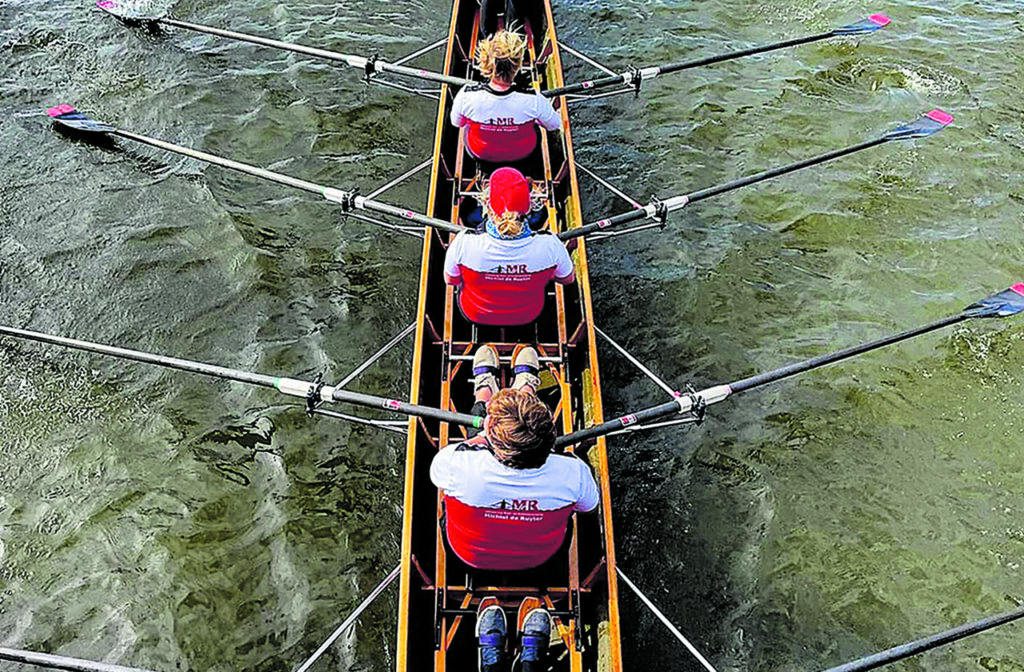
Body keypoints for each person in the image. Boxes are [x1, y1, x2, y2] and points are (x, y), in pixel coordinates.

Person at [430, 343, 600, 671]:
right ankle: (525, 386)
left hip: (470, 557)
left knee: (448, 504)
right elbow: (589, 507)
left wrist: (482, 438)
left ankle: (484, 392)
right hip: (541, 557)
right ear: (549, 438)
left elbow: (443, 472)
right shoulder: (572, 471)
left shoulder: (456, 464)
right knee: (574, 511)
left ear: (491, 441)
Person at [444, 167, 574, 326]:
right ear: (528, 207)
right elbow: (567, 280)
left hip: (475, 313)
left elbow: (452, 280)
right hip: (529, 314)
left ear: (487, 206)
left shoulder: (463, 242)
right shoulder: (551, 245)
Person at [450, 30, 561, 164]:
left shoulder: (466, 96)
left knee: (467, 125)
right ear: (518, 65)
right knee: (536, 123)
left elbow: (457, 123)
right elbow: (554, 125)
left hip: (480, 153)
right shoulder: (534, 100)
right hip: (523, 153)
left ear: (486, 62)